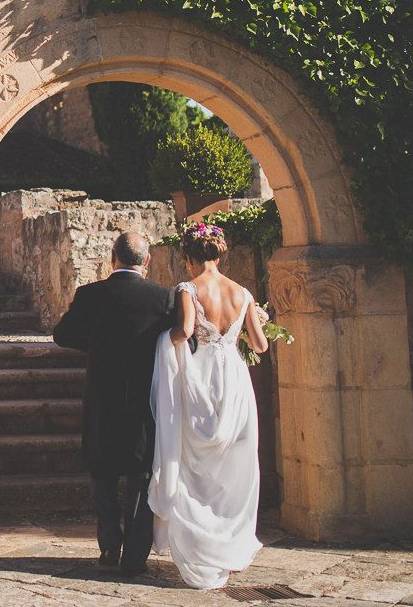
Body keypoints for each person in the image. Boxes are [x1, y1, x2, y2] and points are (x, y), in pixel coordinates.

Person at [148, 221, 267, 590]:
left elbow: (184, 331)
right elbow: (260, 346)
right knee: (233, 464)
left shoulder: (189, 288)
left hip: (201, 378)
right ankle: (228, 545)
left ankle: (200, 546)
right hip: (234, 377)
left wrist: (159, 340)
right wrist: (257, 321)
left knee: (191, 460)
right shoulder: (242, 292)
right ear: (220, 253)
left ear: (188, 258)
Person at [52, 231, 173, 576]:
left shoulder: (90, 295)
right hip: (143, 400)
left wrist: (97, 344)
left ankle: (108, 546)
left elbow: (62, 335)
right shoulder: (161, 299)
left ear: (112, 257)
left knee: (102, 471)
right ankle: (135, 556)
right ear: (147, 260)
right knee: (140, 475)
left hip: (102, 396)